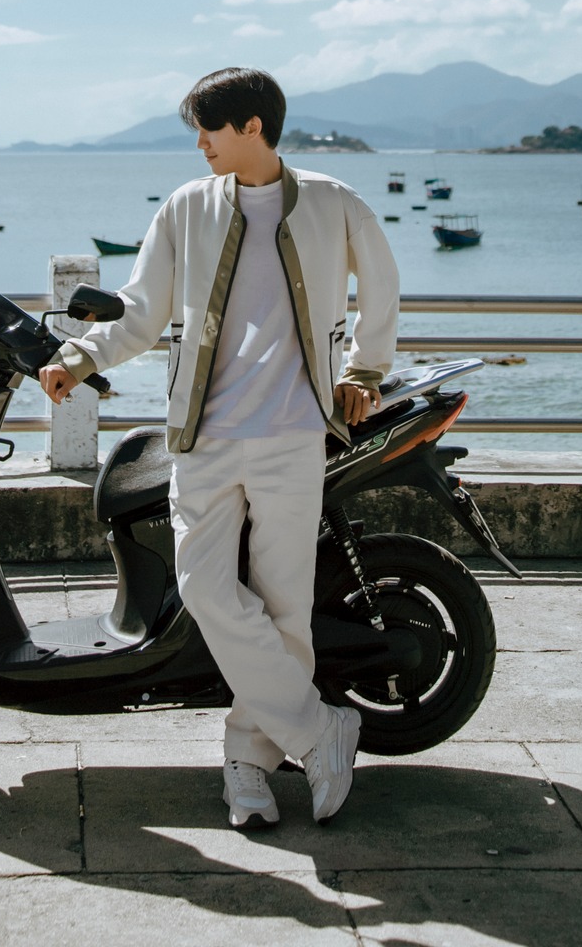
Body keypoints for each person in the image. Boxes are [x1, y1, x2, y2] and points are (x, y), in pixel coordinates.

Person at [39, 65, 400, 828]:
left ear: (251, 127)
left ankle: (246, 766)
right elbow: (141, 311)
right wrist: (80, 357)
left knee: (284, 606)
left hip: (293, 434)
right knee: (204, 589)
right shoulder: (186, 207)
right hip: (203, 435)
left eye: (208, 129)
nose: (199, 143)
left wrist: (365, 369)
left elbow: (383, 285)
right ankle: (318, 730)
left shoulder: (333, 202)